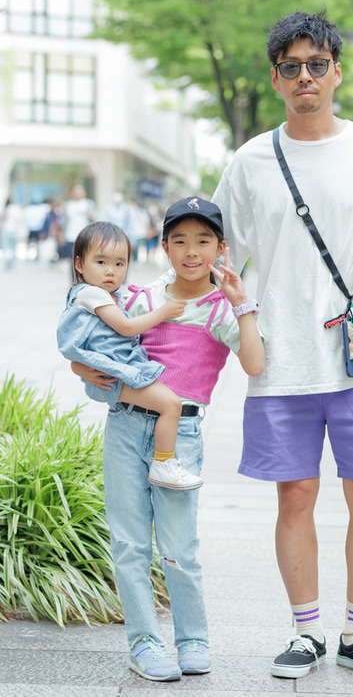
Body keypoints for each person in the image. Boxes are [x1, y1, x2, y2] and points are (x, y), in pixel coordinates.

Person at [212, 10, 353, 683]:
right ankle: (305, 632)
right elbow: (214, 268)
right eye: (289, 67)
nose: (304, 77)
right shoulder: (248, 163)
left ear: (336, 72)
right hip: (281, 364)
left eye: (315, 65)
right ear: (275, 79)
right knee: (294, 497)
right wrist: (243, 333)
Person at [70, 197, 265, 681]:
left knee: (180, 545)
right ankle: (144, 644)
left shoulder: (221, 310)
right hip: (125, 424)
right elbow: (94, 352)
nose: (191, 251)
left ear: (221, 248)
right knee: (130, 543)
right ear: (164, 246)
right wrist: (82, 367)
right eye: (180, 240)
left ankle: (192, 637)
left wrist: (242, 305)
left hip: (183, 435)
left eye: (203, 241)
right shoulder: (140, 299)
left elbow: (256, 364)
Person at [57, 221, 202, 491]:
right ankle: (164, 463)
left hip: (115, 373)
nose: (111, 271)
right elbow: (125, 327)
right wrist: (164, 312)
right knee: (171, 405)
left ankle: (163, 462)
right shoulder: (90, 294)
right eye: (101, 262)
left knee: (168, 404)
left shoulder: (106, 296)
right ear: (79, 264)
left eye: (120, 264)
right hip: (117, 375)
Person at [62, 183, 96, 260]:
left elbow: (94, 219)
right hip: (70, 236)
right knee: (72, 258)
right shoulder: (68, 204)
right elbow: (64, 221)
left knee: (84, 257)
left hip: (85, 236)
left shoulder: (89, 203)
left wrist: (89, 214)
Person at [0, 198, 25, 269]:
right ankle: (12, 263)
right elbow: (19, 219)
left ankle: (6, 262)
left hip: (5, 230)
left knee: (5, 247)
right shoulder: (15, 209)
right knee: (13, 247)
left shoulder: (4, 209)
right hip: (13, 230)